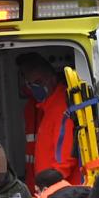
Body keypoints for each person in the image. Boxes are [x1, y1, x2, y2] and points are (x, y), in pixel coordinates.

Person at [17, 53, 81, 185]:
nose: (34, 87)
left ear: (53, 79)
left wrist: (50, 184)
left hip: (59, 191)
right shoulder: (47, 108)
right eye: (30, 84)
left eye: (38, 82)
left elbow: (63, 159)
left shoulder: (62, 108)